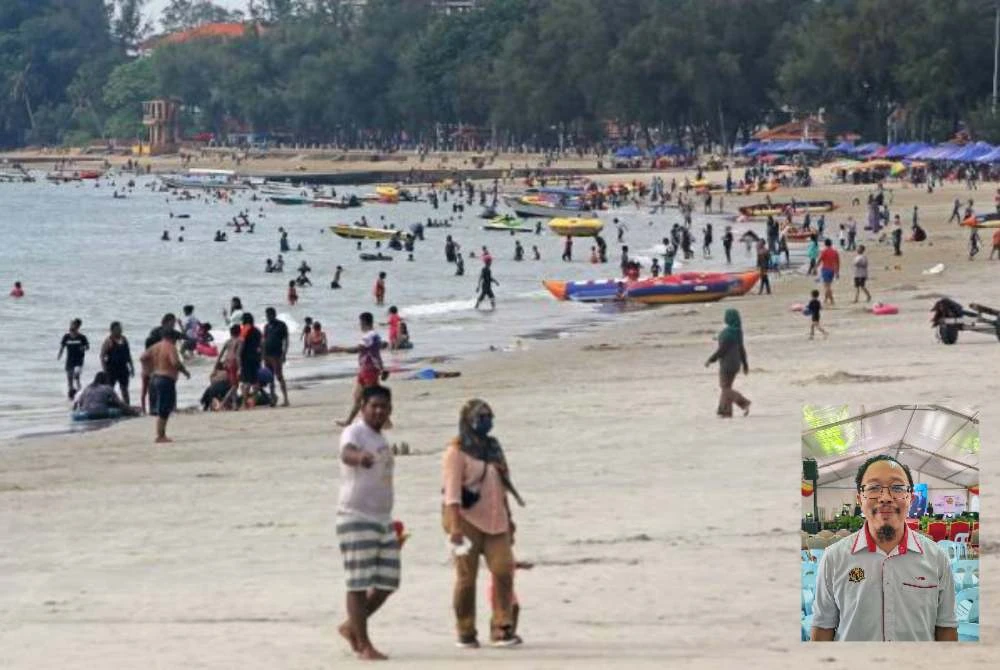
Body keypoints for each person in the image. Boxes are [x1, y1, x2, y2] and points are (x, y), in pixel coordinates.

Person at [811, 455, 958, 641]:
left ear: (910, 498)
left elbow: (946, 629)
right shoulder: (834, 558)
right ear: (860, 499)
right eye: (873, 488)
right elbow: (823, 628)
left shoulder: (937, 558)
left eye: (897, 488)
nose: (886, 498)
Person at [442, 399, 525, 648]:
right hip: (465, 521)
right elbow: (452, 493)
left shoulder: (493, 447)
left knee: (503, 569)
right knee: (466, 578)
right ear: (468, 420)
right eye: (481, 416)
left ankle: (502, 627)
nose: (487, 421)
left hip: (495, 519)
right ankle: (465, 630)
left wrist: (509, 519)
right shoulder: (456, 451)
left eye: (490, 416)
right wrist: (455, 527)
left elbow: (502, 486)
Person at [335, 385, 398, 661]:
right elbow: (346, 453)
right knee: (358, 584)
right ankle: (364, 645)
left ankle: (351, 627)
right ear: (363, 407)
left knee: (388, 582)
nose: (379, 411)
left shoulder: (381, 437)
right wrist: (359, 457)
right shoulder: (355, 432)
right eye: (374, 406)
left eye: (384, 406)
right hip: (356, 515)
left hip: (382, 519)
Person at [140, 329, 190, 443]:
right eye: (176, 340)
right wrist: (185, 371)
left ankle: (161, 434)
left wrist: (149, 370)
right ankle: (160, 435)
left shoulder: (155, 346)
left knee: (162, 407)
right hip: (165, 379)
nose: (176, 342)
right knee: (164, 408)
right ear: (172, 338)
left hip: (155, 378)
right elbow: (175, 362)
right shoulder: (170, 347)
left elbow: (143, 358)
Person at [705, 308, 750, 418]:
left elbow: (722, 351)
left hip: (727, 364)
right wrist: (745, 364)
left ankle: (744, 403)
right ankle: (725, 411)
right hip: (736, 364)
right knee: (727, 387)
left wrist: (710, 360)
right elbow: (741, 349)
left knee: (725, 387)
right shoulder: (738, 331)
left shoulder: (727, 333)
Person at [73, 371, 138, 417]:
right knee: (117, 407)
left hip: (86, 411)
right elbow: (119, 403)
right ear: (105, 380)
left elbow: (80, 403)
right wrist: (132, 410)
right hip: (100, 411)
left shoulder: (86, 389)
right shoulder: (107, 388)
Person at [100, 321, 134, 405]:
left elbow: (128, 354)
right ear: (112, 330)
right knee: (110, 389)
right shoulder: (108, 341)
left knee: (124, 389)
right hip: (112, 369)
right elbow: (102, 356)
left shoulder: (124, 339)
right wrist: (105, 370)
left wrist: (132, 367)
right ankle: (108, 406)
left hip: (123, 368)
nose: (120, 330)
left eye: (120, 328)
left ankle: (127, 406)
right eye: (118, 329)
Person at [263, 307, 290, 407]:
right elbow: (264, 340)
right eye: (267, 316)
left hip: (277, 354)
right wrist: (262, 355)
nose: (268, 318)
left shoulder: (281, 325)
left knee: (279, 376)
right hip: (267, 355)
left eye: (269, 315)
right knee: (270, 378)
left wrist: (284, 354)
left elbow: (286, 340)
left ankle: (286, 399)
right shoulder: (266, 326)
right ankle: (273, 399)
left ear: (274, 315)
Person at [57, 318, 89, 400]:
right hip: (69, 361)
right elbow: (62, 346)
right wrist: (60, 354)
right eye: (71, 326)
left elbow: (87, 347)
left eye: (74, 326)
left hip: (79, 361)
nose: (72, 328)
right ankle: (70, 395)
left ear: (78, 327)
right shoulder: (66, 337)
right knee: (69, 378)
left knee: (77, 377)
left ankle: (80, 394)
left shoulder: (82, 337)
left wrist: (83, 348)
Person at [238, 313, 263, 406]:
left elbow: (241, 344)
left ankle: (244, 403)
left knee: (246, 381)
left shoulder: (245, 329)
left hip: (246, 358)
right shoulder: (257, 330)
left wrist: (238, 356)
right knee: (255, 381)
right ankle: (253, 401)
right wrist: (261, 356)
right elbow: (262, 344)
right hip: (256, 357)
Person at [818, 239, 840, 306]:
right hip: (832, 270)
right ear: (831, 243)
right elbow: (837, 262)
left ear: (825, 244)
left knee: (826, 286)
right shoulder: (835, 251)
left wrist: (815, 268)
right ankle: (825, 299)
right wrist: (837, 272)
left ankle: (832, 300)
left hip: (825, 269)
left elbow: (819, 260)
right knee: (828, 285)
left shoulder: (824, 251)